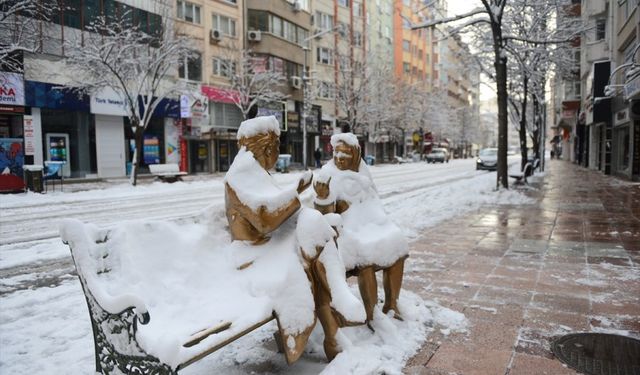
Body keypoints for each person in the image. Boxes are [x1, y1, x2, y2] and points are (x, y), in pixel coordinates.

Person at [225, 116, 364, 362]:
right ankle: (338, 304)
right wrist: (296, 190)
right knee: (312, 231)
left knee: (314, 235)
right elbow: (265, 218)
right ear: (267, 148)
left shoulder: (253, 171)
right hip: (252, 256)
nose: (278, 154)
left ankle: (333, 332)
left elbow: (269, 208)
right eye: (278, 148)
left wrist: (297, 196)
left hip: (267, 247)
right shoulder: (240, 175)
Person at [313, 133, 408, 324]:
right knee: (367, 260)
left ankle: (391, 304)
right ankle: (372, 315)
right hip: (346, 234)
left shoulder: (362, 173)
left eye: (346, 153)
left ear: (355, 154)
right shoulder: (328, 176)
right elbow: (324, 217)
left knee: (397, 247)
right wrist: (323, 197)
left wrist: (381, 222)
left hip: (370, 226)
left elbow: (374, 202)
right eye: (337, 152)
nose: (340, 157)